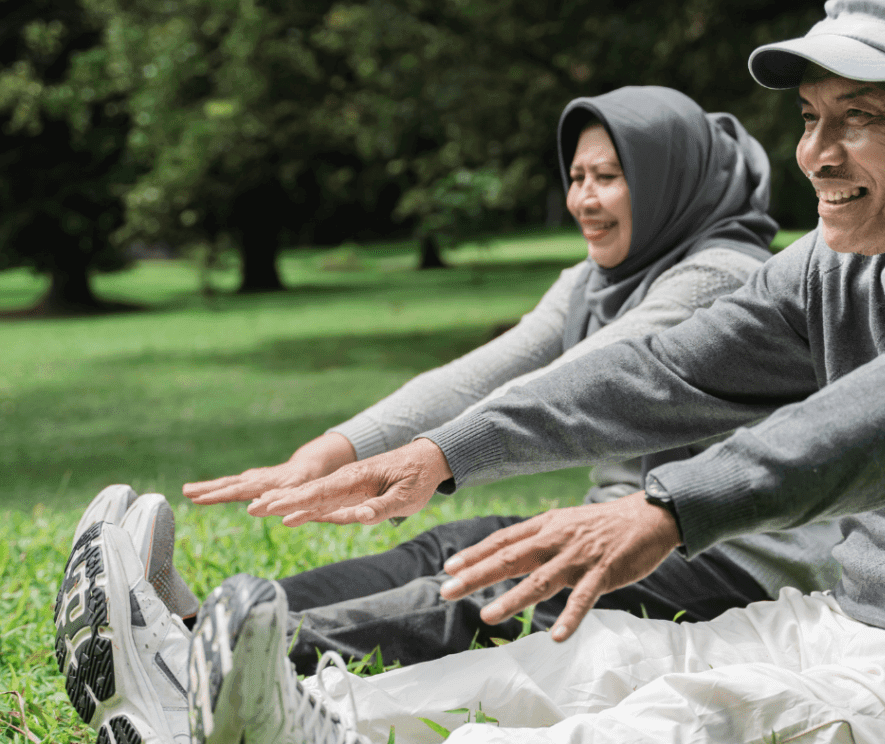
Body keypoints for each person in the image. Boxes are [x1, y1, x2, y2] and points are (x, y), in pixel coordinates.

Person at [57, 0, 885, 744]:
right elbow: (666, 367)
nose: (817, 152)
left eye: (861, 116)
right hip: (851, 620)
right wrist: (442, 452)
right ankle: (212, 725)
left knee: (742, 729)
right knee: (594, 661)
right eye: (813, 118)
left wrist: (669, 504)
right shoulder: (835, 264)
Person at [177, 87, 840, 673]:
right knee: (447, 548)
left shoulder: (720, 277)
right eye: (576, 176)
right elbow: (480, 375)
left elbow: (579, 385)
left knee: (485, 596)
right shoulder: (594, 280)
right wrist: (333, 449)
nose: (584, 198)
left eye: (609, 176)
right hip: (615, 527)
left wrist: (434, 457)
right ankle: (193, 626)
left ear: (670, 181)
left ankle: (210, 662)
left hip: (726, 557)